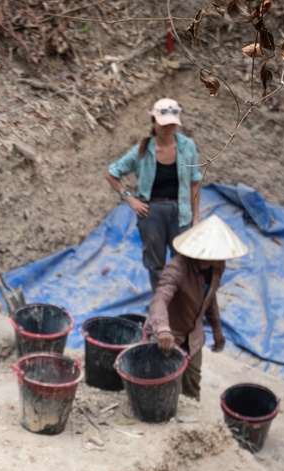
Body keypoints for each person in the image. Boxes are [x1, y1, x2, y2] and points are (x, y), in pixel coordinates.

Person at [105, 97, 205, 293]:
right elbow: (111, 173)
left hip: (181, 210)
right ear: (153, 123)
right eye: (162, 124)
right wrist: (130, 198)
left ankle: (181, 301)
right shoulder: (142, 151)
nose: (167, 129)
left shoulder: (187, 147)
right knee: (156, 263)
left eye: (171, 125)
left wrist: (196, 218)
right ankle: (161, 303)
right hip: (151, 213)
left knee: (183, 259)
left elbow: (195, 183)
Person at [146, 214, 248, 401]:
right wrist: (162, 329)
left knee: (192, 384)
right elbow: (160, 299)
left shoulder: (217, 266)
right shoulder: (177, 268)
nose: (215, 261)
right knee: (162, 383)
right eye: (210, 256)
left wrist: (217, 329)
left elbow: (209, 296)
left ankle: (193, 420)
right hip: (169, 335)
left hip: (193, 335)